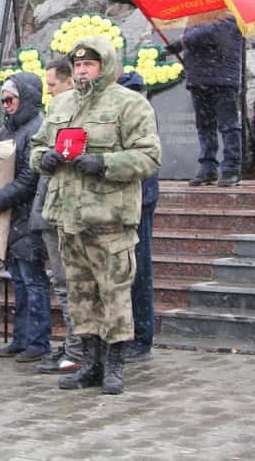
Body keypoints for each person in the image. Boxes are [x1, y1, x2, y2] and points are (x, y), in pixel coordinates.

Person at [30, 36, 161, 395]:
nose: (83, 71)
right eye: (78, 65)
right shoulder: (61, 104)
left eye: (90, 64)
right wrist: (45, 159)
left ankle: (115, 366)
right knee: (80, 296)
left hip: (110, 220)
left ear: (105, 66)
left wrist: (106, 163)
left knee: (115, 295)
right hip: (68, 219)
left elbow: (149, 156)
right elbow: (36, 147)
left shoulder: (130, 105)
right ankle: (90, 364)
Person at [0, 72, 51, 362]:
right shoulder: (8, 129)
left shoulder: (36, 128)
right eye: (4, 97)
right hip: (12, 218)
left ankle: (37, 341)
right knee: (21, 282)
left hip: (28, 217)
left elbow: (29, 178)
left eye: (11, 96)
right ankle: (21, 338)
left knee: (33, 281)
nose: (5, 102)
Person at [165, 0, 244, 187]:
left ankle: (231, 167)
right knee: (204, 125)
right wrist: (180, 48)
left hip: (223, 77)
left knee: (228, 124)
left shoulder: (232, 9)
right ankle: (207, 167)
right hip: (199, 77)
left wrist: (182, 41)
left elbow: (213, 34)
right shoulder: (198, 11)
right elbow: (196, 35)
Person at [35, 57, 85, 375]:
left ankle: (80, 349)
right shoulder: (54, 113)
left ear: (69, 83)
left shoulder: (79, 110)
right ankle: (74, 347)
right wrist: (45, 156)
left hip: (76, 209)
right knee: (64, 285)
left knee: (73, 284)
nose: (49, 92)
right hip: (52, 207)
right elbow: (37, 153)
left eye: (52, 85)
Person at [117, 71, 160, 364]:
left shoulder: (140, 115)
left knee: (139, 271)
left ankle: (142, 337)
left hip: (140, 200)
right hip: (125, 200)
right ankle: (128, 333)